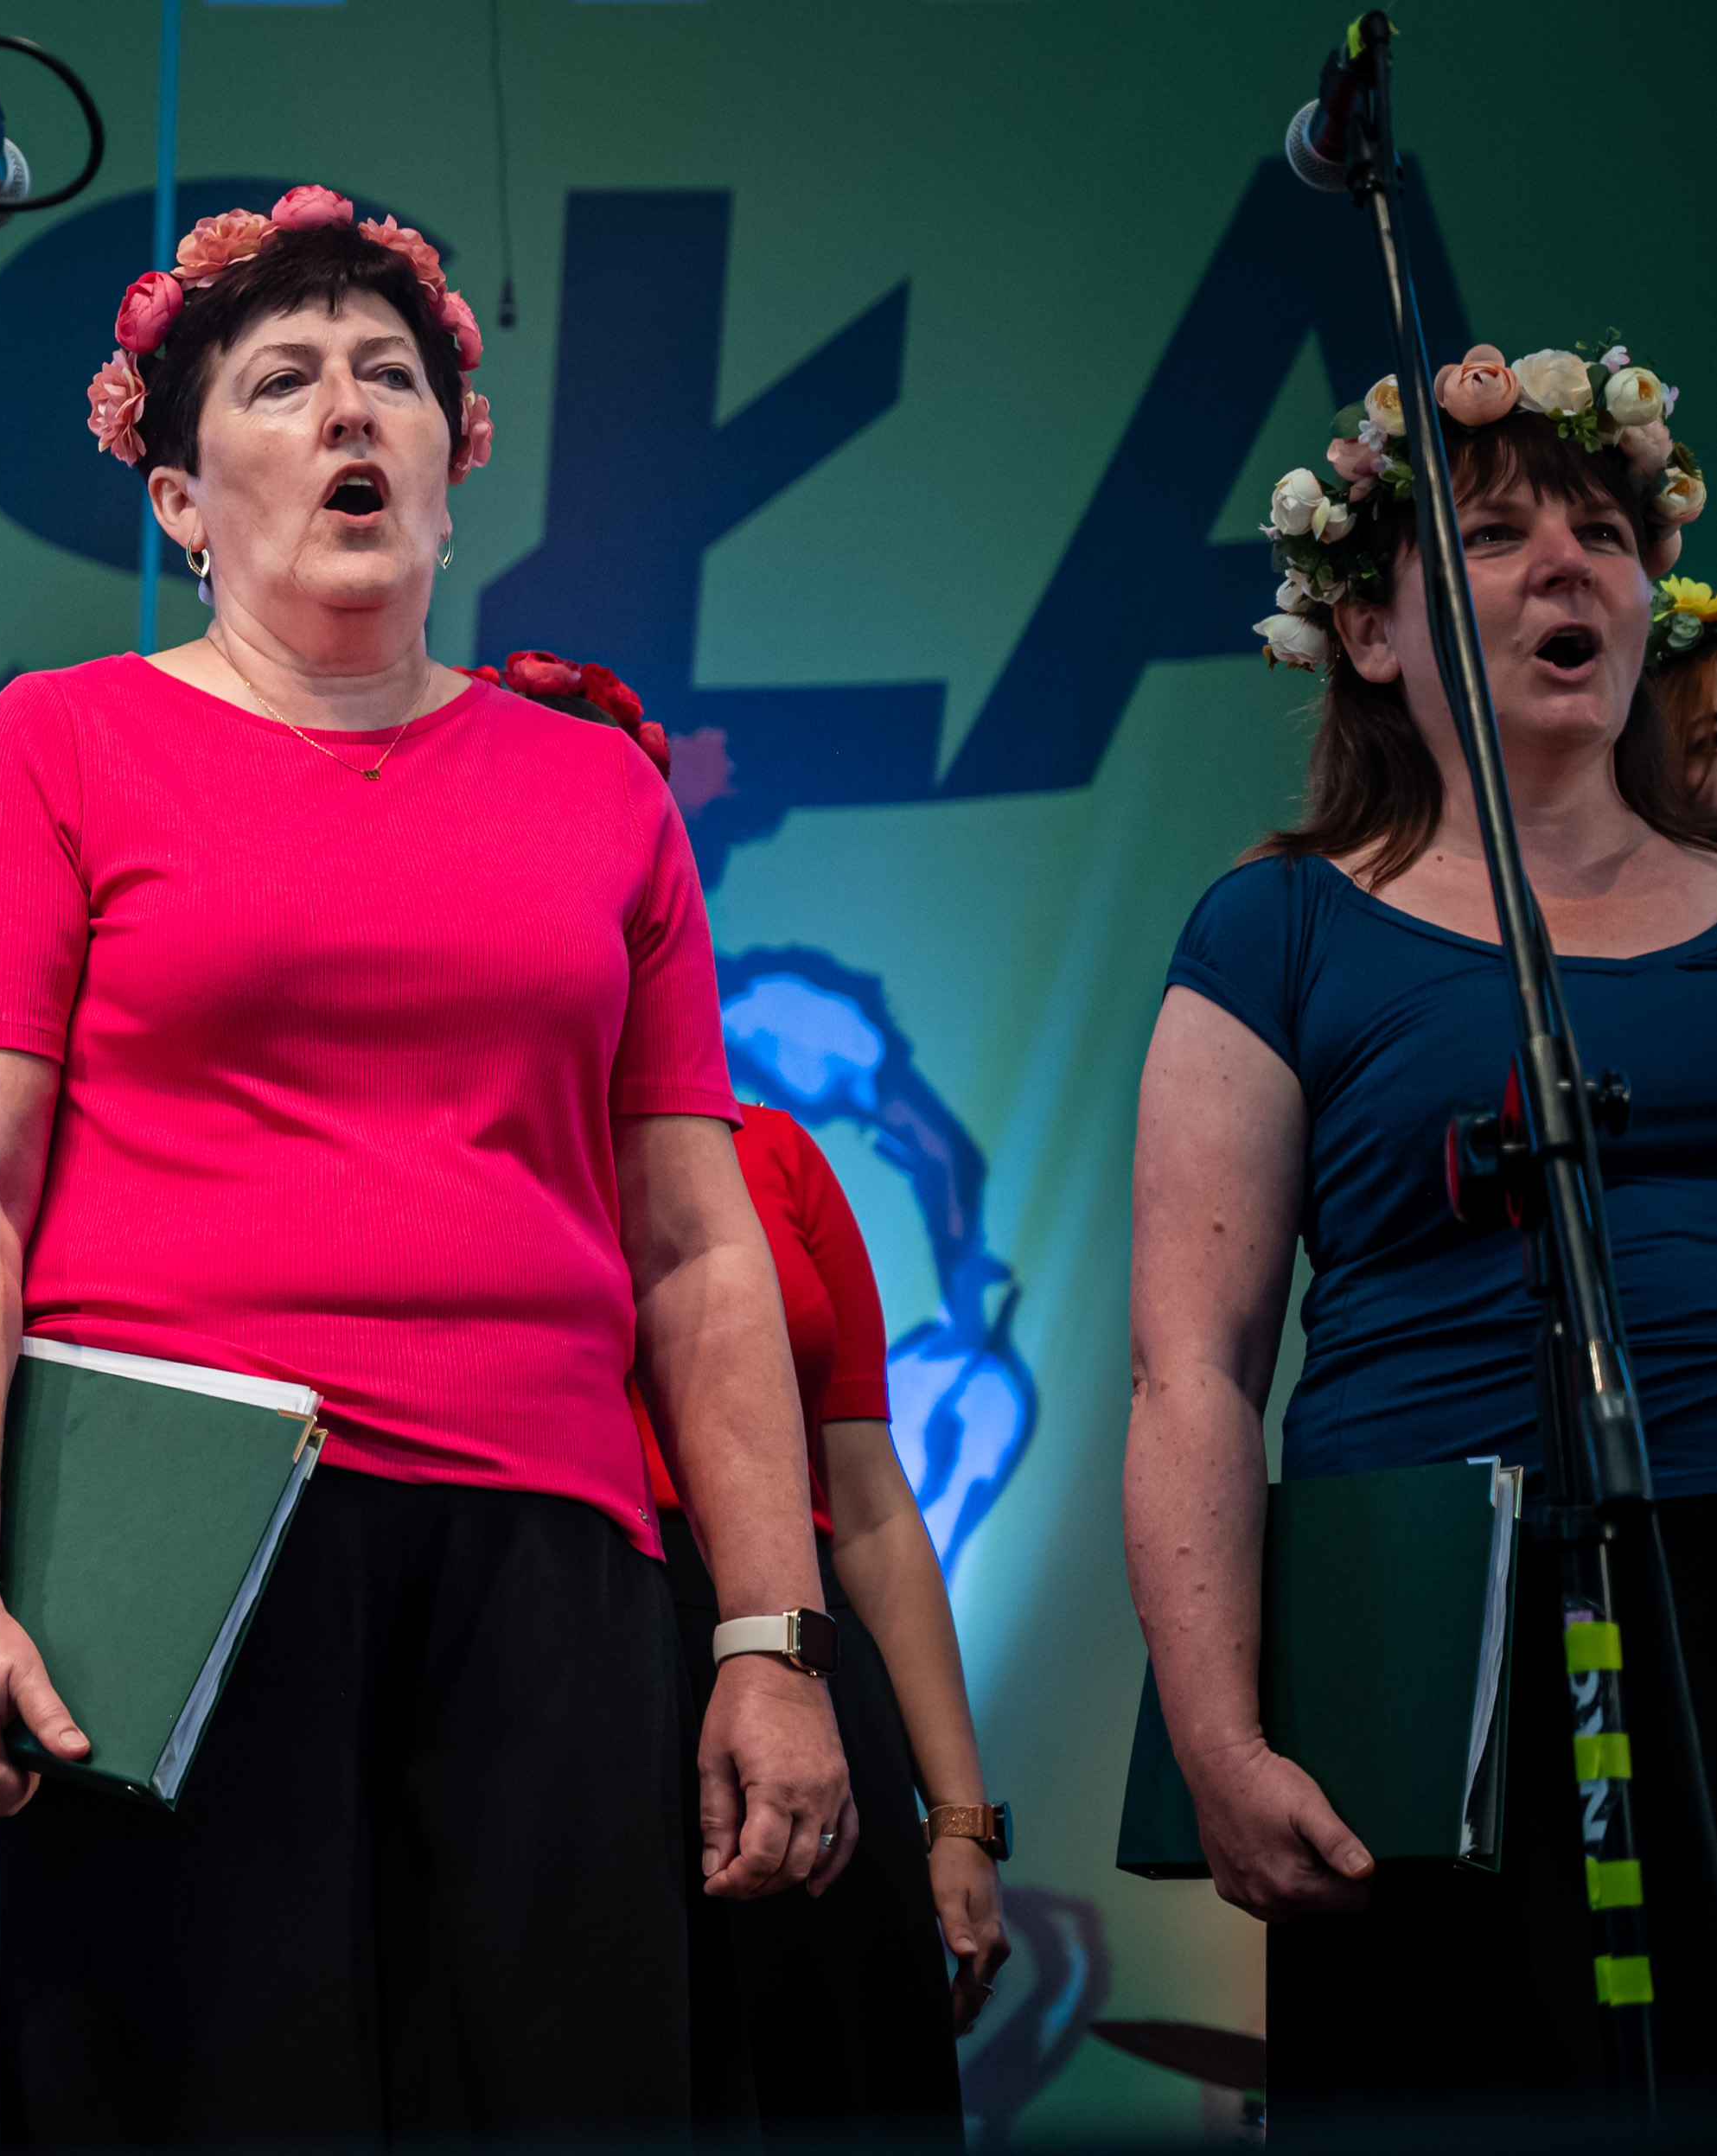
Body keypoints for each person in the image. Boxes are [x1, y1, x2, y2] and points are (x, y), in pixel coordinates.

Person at [0, 188, 852, 2146]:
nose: (349, 412)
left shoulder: (598, 794)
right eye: (284, 381)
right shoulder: (56, 747)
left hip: (544, 1543)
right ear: (178, 497)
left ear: (451, 470)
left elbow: (696, 1247)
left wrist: (766, 1636)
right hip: (168, 1537)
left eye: (389, 376)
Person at [1127, 339, 1717, 2119]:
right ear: (1371, 634)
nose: (1565, 566)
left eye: (1602, 531)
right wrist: (1221, 1737)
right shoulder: (1279, 928)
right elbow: (1191, 1367)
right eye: (1497, 536)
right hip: (1421, 1625)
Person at [493, 648, 1005, 2140]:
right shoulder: (452, 1160)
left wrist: (957, 1816)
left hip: (787, 1654)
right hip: (547, 1648)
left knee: (831, 2088)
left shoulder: (771, 1153)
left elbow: (870, 1510)